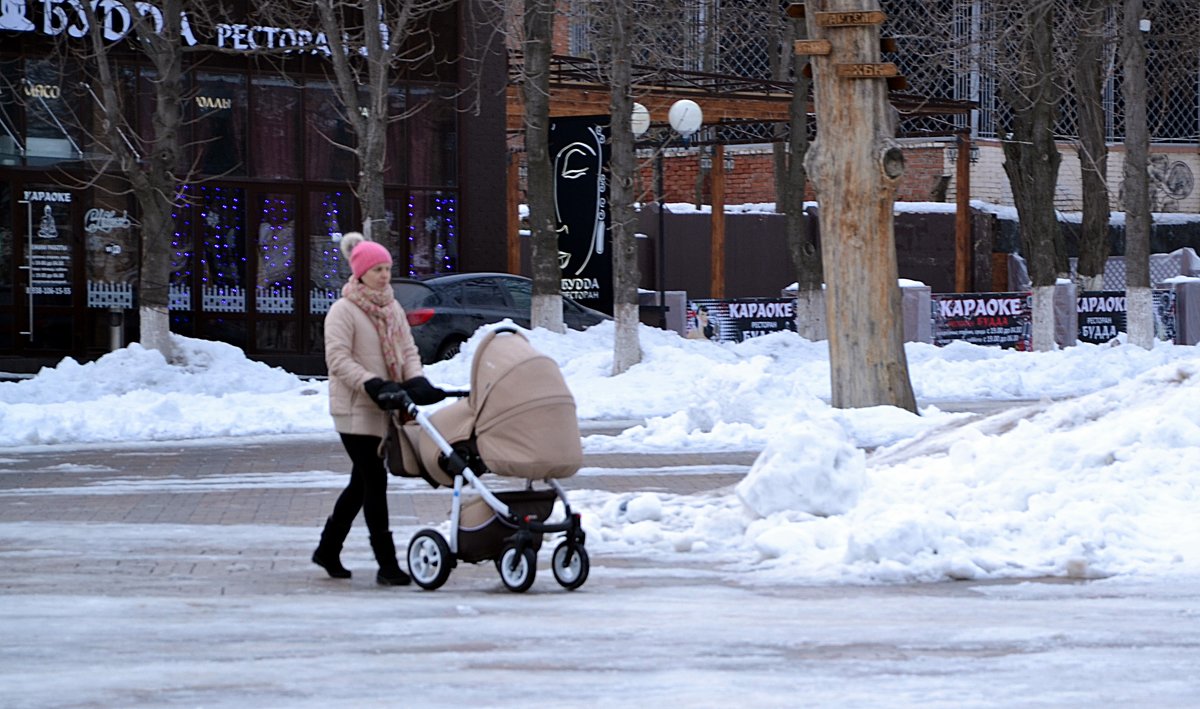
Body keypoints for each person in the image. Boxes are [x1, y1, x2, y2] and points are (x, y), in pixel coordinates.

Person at [313, 231, 447, 585]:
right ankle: (387, 565)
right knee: (374, 479)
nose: (385, 275)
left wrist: (415, 380)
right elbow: (337, 359)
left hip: (387, 405)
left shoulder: (392, 309)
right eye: (377, 270)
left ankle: (327, 549)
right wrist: (373, 382)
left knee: (361, 483)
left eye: (387, 268)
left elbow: (408, 351)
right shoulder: (343, 311)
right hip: (355, 407)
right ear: (360, 273)